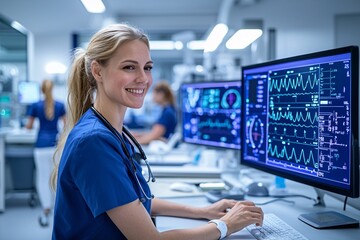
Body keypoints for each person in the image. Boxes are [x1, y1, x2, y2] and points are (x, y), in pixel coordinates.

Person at [50, 23, 263, 239]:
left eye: (147, 67)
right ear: (97, 71)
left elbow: (133, 200)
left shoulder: (109, 130)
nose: (143, 78)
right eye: (129, 67)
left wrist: (203, 212)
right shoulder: (94, 142)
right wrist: (224, 225)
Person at [25, 79, 66, 227]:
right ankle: (58, 211)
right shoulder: (60, 105)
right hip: (55, 147)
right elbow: (67, 126)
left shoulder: (35, 106)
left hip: (41, 146)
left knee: (42, 178)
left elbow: (28, 127)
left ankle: (45, 210)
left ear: (41, 90)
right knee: (55, 178)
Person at [132, 81, 178, 145]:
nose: (152, 97)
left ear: (161, 94)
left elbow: (154, 136)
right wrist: (136, 136)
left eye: (154, 94)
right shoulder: (168, 110)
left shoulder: (168, 113)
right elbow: (154, 134)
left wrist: (133, 143)